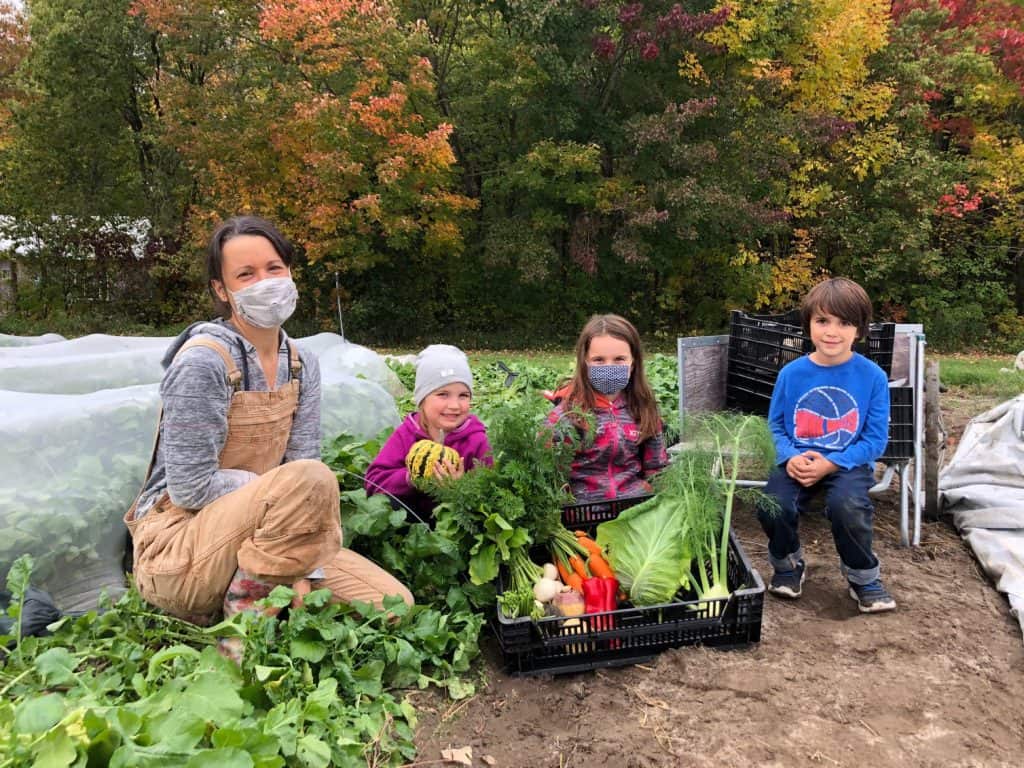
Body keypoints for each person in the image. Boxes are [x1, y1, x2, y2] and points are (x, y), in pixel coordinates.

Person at [124, 215, 413, 641]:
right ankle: (244, 625)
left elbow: (300, 473)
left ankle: (258, 589)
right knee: (307, 479)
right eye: (246, 274)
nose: (266, 281)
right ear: (222, 291)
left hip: (268, 536)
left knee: (391, 605)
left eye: (274, 268)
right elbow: (189, 489)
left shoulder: (301, 364)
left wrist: (303, 566)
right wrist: (273, 493)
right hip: (182, 550)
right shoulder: (205, 362)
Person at [757, 277, 896, 613]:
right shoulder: (791, 373)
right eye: (823, 321)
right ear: (808, 325)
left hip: (847, 462)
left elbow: (875, 440)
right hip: (797, 459)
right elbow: (774, 425)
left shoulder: (872, 377)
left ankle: (863, 578)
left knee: (847, 507)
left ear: (859, 330)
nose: (832, 332)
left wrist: (832, 463)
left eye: (844, 322)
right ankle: (789, 566)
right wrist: (790, 456)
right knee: (772, 504)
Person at [545, 314, 668, 502]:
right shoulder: (567, 415)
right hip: (583, 515)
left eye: (619, 359)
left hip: (636, 508)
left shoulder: (643, 409)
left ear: (633, 362)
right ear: (585, 362)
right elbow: (547, 473)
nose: (609, 367)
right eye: (599, 360)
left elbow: (656, 468)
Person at [364, 344, 493, 520]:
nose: (454, 405)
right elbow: (373, 481)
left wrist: (461, 487)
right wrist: (411, 478)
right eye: (443, 394)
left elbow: (490, 493)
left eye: (463, 395)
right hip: (412, 520)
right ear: (422, 399)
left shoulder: (476, 440)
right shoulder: (407, 433)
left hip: (456, 524)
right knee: (389, 506)